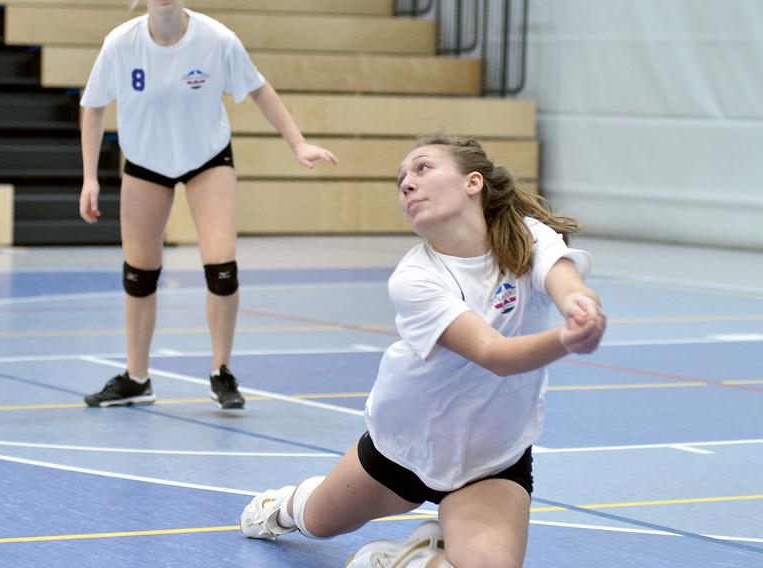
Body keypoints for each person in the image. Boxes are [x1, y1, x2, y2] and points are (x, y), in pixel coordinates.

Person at [239, 135, 606, 567]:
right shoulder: (414, 277)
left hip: (492, 459)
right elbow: (492, 353)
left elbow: (568, 287)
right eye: (401, 180)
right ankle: (284, 507)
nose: (407, 184)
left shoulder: (530, 239)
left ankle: (405, 562)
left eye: (422, 168)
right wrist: (566, 339)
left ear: (472, 182)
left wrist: (580, 308)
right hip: (406, 445)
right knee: (320, 521)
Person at [77, 0, 338, 409]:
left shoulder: (217, 40)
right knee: (139, 274)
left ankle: (222, 372)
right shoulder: (119, 44)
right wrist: (90, 178)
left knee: (221, 269)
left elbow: (259, 89)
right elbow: (92, 108)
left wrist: (297, 142)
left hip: (207, 159)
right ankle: (136, 377)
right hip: (145, 163)